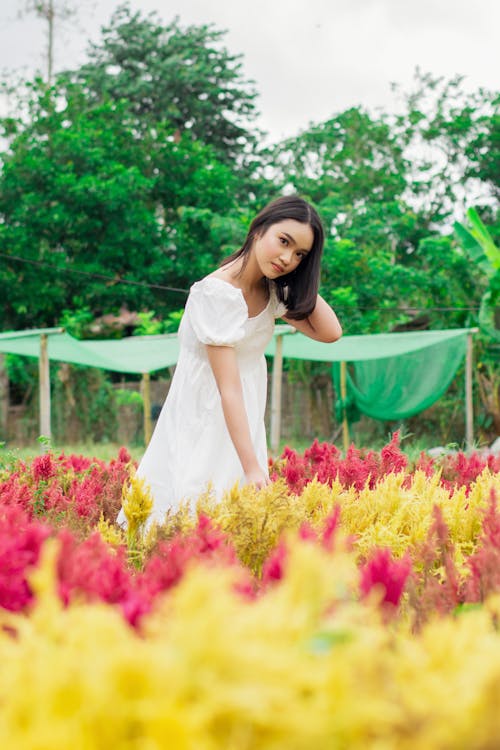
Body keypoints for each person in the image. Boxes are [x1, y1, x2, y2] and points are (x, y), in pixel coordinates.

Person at [118, 195, 342, 527]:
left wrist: (300, 279)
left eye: (299, 255)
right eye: (283, 241)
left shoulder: (271, 290)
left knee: (233, 521)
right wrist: (252, 466)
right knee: (191, 509)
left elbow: (330, 332)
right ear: (258, 229)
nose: (286, 258)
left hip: (241, 415)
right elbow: (228, 387)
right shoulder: (217, 293)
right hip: (207, 410)